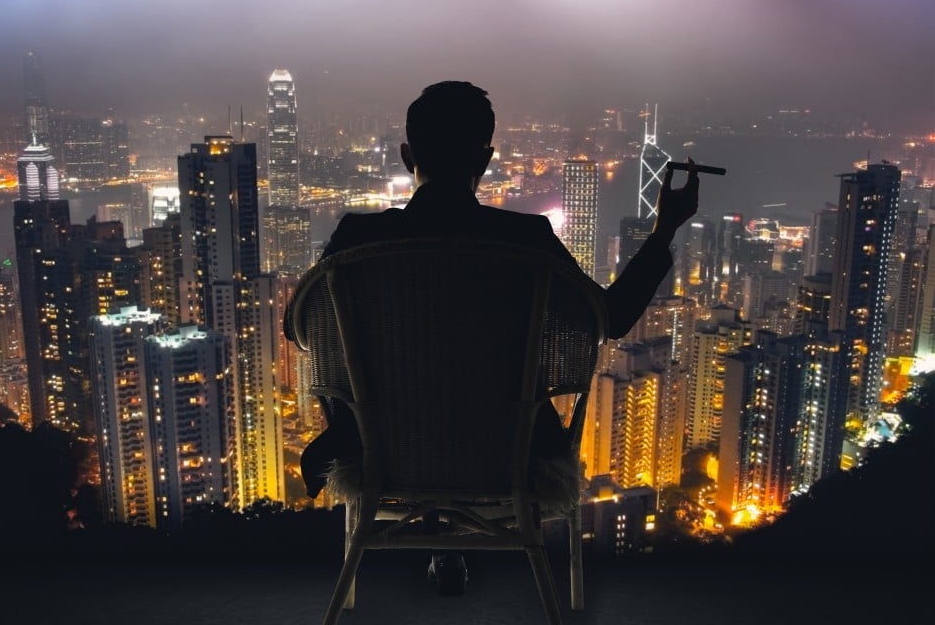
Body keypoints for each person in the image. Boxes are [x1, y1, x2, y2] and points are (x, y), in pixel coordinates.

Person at [285, 80, 699, 594]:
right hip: (511, 450)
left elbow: (297, 327)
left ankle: (433, 545)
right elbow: (608, 318)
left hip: (380, 451)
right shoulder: (527, 241)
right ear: (487, 157)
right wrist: (664, 232)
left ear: (406, 154)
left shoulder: (356, 238)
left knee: (422, 395)